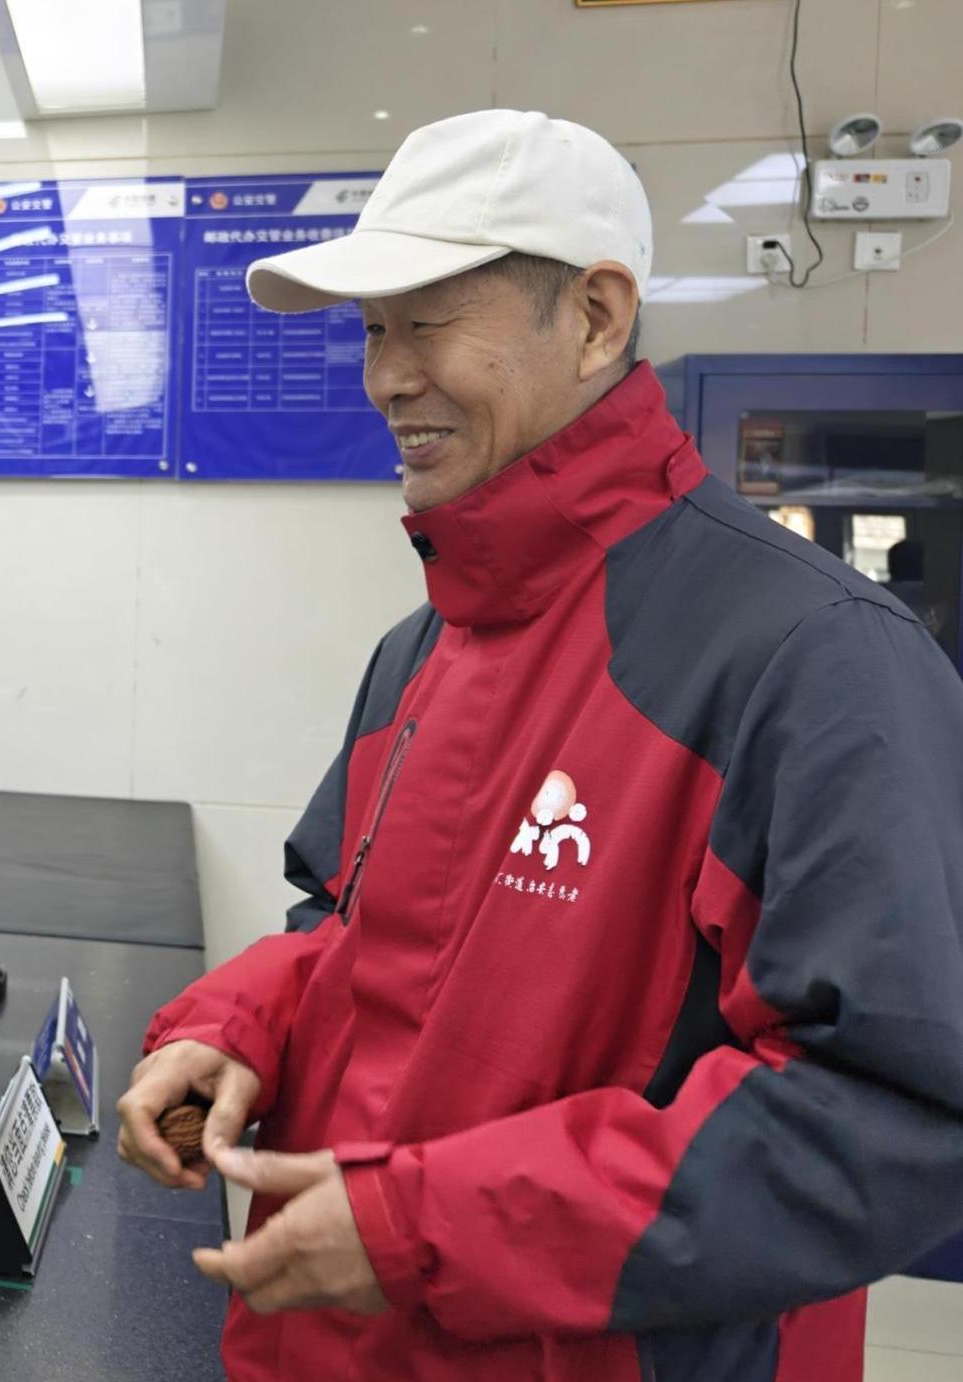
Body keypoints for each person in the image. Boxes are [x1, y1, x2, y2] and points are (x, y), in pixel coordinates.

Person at [115, 110, 963, 1381]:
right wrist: (234, 1025)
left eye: (428, 319)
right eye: (371, 329)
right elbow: (352, 936)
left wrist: (422, 1224)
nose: (386, 377)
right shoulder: (422, 646)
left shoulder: (814, 657)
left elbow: (882, 1116)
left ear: (599, 316)